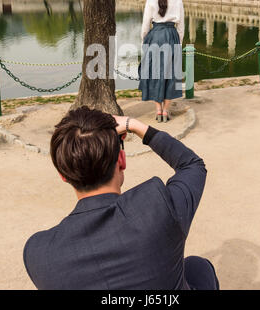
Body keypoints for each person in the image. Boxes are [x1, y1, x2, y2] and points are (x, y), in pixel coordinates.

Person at [23, 106, 219, 291]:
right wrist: (134, 125)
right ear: (122, 160)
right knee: (198, 267)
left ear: (63, 175)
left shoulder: (38, 253)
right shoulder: (159, 208)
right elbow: (191, 165)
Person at [139, 0, 184, 122]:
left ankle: (158, 110)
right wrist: (179, 43)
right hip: (172, 36)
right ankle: (166, 111)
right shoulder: (178, 0)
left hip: (155, 36)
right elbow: (181, 27)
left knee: (153, 74)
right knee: (172, 74)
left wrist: (144, 41)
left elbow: (145, 25)